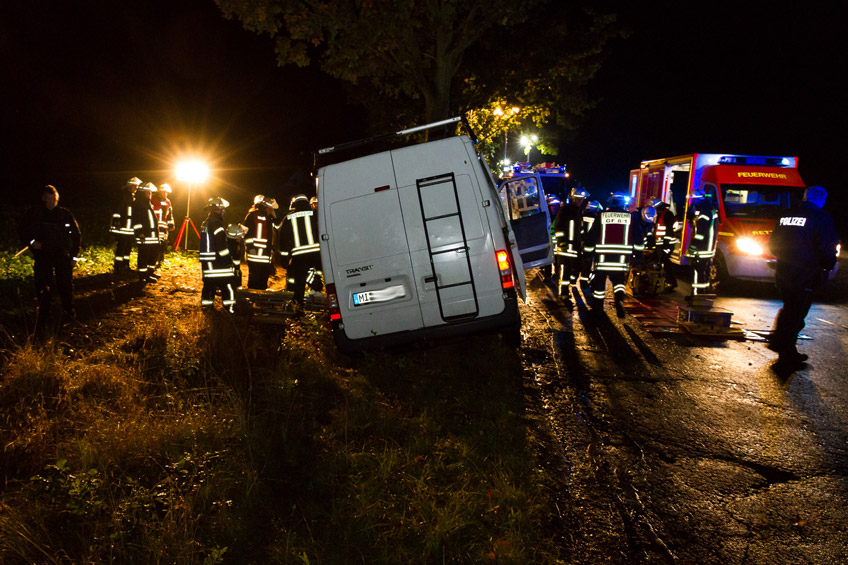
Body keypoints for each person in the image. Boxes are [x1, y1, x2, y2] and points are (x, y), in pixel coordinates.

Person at [766, 186, 839, 368]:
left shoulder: (787, 215)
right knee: (796, 313)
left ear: (806, 197)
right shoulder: (821, 218)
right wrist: (826, 266)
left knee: (789, 308)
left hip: (784, 271)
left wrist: (784, 258)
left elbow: (773, 244)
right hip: (805, 273)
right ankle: (786, 354)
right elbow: (827, 247)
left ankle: (780, 344)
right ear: (822, 199)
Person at [19, 185, 81, 328]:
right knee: (43, 286)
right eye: (49, 198)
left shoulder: (65, 214)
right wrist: (32, 242)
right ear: (43, 198)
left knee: (65, 285)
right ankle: (43, 316)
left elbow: (76, 235)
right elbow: (23, 230)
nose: (52, 201)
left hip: (62, 255)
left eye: (54, 198)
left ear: (57, 199)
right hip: (43, 256)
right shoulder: (35, 214)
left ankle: (69, 314)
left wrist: (74, 256)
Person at [584, 192, 645, 318]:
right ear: (623, 204)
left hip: (602, 258)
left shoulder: (602, 216)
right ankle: (619, 301)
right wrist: (638, 256)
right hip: (621, 259)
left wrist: (587, 253)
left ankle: (598, 311)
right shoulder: (631, 217)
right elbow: (639, 238)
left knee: (599, 285)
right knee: (619, 282)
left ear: (610, 202)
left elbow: (592, 236)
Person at [279, 193, 321, 306]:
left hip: (299, 256)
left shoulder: (288, 218)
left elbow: (283, 240)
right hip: (317, 254)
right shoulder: (316, 214)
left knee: (299, 283)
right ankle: (317, 298)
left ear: (295, 204)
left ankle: (298, 308)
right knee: (319, 274)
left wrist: (284, 258)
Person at [551, 187, 588, 304]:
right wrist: (562, 241)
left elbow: (579, 230)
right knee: (565, 271)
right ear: (573, 198)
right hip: (565, 247)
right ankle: (563, 293)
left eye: (582, 199)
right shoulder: (565, 210)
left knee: (578, 267)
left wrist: (581, 242)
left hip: (575, 248)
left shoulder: (578, 211)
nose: (581, 201)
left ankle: (571, 285)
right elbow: (557, 227)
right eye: (579, 199)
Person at [200, 197, 236, 312]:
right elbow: (221, 244)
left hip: (207, 261)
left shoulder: (207, 222)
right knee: (228, 285)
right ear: (219, 210)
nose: (224, 211)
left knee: (209, 285)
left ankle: (207, 308)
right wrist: (227, 259)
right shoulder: (217, 223)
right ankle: (229, 308)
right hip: (217, 261)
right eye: (223, 209)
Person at [685, 187, 719, 296]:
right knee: (704, 272)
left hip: (703, 248)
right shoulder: (707, 208)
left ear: (698, 199)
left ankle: (696, 295)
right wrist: (690, 215)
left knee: (697, 271)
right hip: (708, 248)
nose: (692, 201)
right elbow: (695, 223)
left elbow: (701, 232)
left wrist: (693, 246)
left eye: (693, 199)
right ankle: (703, 293)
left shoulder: (705, 212)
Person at [243, 195, 279, 290]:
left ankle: (260, 299)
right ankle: (252, 297)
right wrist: (251, 247)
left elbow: (278, 229)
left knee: (263, 277)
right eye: (270, 209)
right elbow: (245, 233)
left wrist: (275, 217)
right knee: (254, 277)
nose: (271, 210)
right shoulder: (252, 215)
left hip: (265, 255)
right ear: (266, 207)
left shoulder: (269, 219)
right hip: (255, 254)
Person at [131, 181, 160, 283]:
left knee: (152, 255)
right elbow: (136, 221)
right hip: (145, 236)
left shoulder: (148, 204)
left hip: (152, 236)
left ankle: (150, 273)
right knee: (144, 256)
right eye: (148, 192)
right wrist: (140, 234)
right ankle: (143, 276)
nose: (150, 194)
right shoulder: (138, 204)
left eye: (151, 192)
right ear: (143, 192)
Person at [110, 176, 140, 273]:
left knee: (128, 247)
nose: (136, 188)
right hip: (122, 227)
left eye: (137, 186)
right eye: (134, 186)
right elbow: (117, 209)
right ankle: (118, 267)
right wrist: (117, 221)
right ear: (130, 186)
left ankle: (126, 265)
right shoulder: (123, 196)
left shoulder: (133, 197)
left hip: (129, 228)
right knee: (121, 247)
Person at [652, 199, 679, 291]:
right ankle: (661, 283)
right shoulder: (660, 214)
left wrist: (666, 246)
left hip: (667, 244)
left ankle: (671, 283)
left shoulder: (667, 214)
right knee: (659, 262)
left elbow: (669, 231)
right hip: (660, 244)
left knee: (666, 262)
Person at [152, 182, 175, 267]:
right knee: (155, 245)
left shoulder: (168, 202)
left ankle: (161, 261)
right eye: (164, 192)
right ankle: (153, 261)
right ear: (159, 192)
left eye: (167, 192)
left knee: (163, 244)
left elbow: (169, 214)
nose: (165, 194)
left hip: (163, 227)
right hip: (154, 226)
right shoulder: (153, 200)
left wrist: (171, 224)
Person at [226, 223, 249, 289]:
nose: (242, 237)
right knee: (237, 273)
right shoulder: (234, 246)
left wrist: (239, 225)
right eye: (240, 236)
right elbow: (236, 264)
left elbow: (246, 230)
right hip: (232, 273)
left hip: (227, 274)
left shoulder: (228, 241)